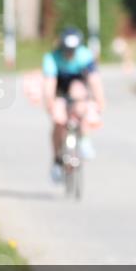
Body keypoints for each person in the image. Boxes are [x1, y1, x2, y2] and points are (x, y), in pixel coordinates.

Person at [42, 27, 105, 182]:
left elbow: (94, 80)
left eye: (73, 50)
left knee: (81, 104)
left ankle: (84, 139)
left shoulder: (85, 55)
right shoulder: (52, 58)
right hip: (60, 89)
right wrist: (50, 103)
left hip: (78, 87)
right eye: (67, 50)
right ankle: (57, 160)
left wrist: (100, 100)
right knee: (59, 121)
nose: (70, 53)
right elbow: (49, 85)